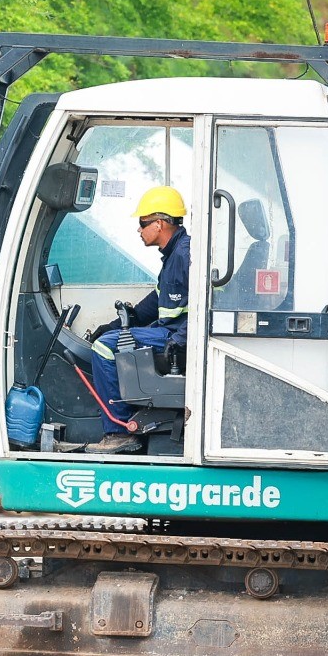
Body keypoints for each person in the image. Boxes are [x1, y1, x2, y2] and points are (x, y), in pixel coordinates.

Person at [84, 185, 191, 454]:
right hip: (170, 333)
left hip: (176, 338)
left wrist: (180, 339)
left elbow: (208, 307)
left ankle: (119, 432)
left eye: (143, 224)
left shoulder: (185, 255)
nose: (139, 230)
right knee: (108, 338)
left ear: (159, 224)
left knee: (104, 348)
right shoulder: (173, 256)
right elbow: (154, 303)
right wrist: (113, 326)